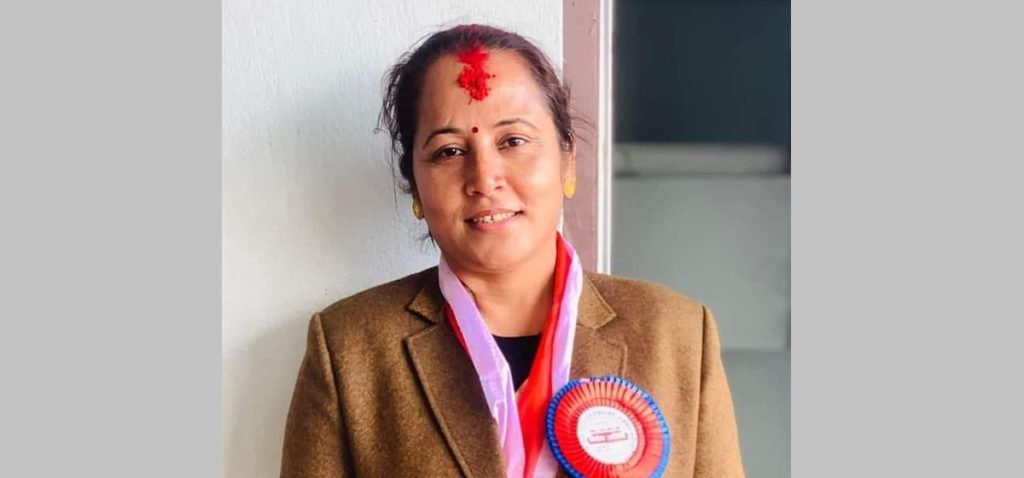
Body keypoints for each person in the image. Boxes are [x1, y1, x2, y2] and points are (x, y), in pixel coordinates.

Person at [280, 24, 744, 478]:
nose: (484, 178)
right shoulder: (349, 349)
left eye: (513, 141)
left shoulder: (676, 335)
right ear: (415, 185)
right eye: (448, 151)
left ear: (567, 160)